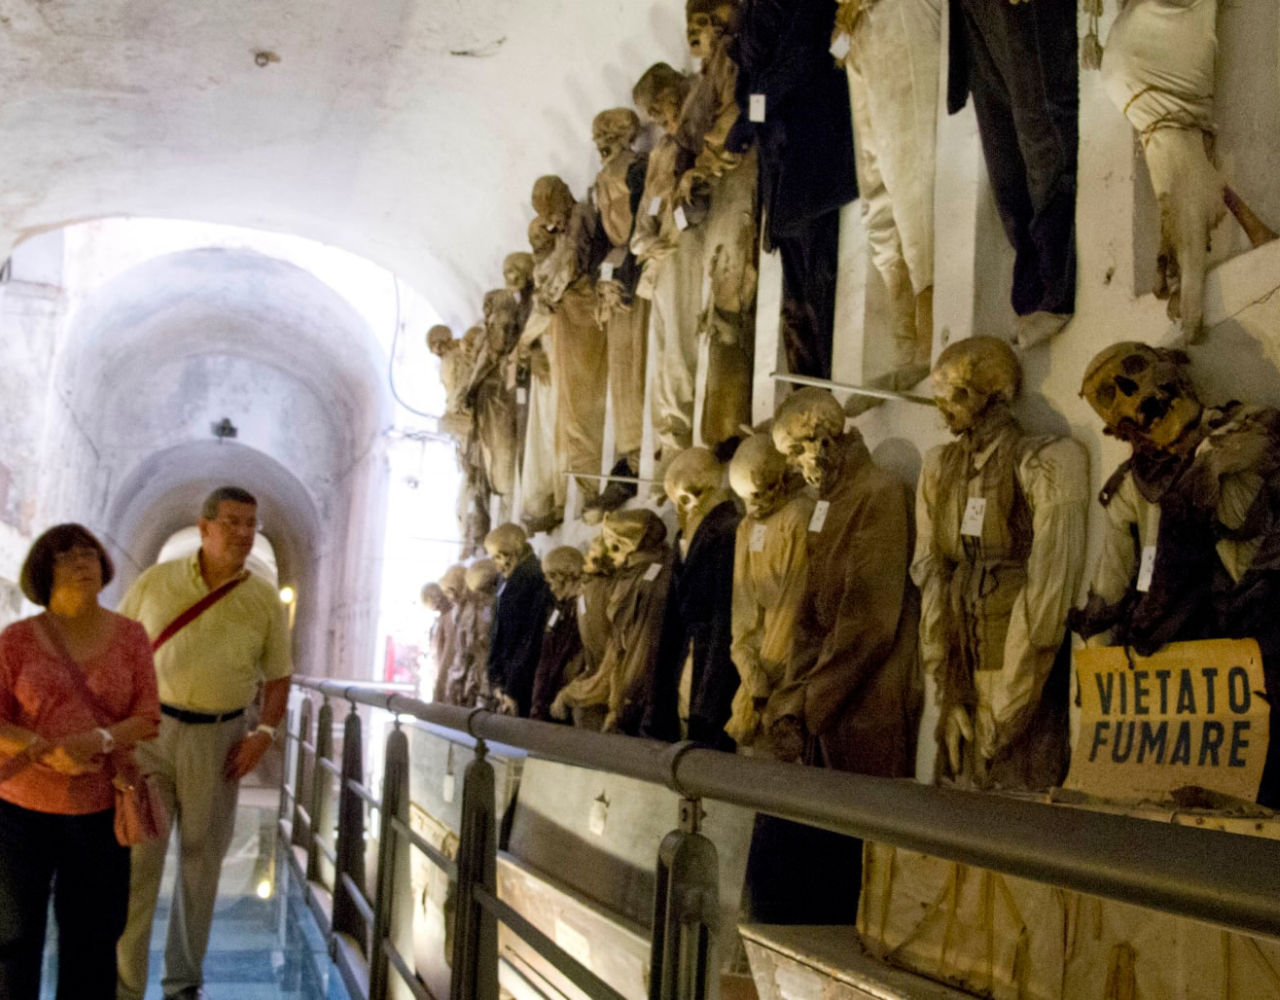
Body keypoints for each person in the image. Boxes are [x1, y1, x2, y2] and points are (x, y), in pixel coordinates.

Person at [116, 486, 292, 1000]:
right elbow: (123, 650)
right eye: (233, 522)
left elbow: (278, 676)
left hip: (220, 738)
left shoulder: (262, 598)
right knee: (137, 863)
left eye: (252, 524)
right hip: (150, 735)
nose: (243, 533)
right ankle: (125, 986)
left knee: (201, 864)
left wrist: (263, 734)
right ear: (205, 526)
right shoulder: (157, 582)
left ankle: (182, 982)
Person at [0, 524, 160, 1000]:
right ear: (44, 569)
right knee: (13, 939)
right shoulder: (16, 640)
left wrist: (100, 738)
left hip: (99, 811)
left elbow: (148, 717)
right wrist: (48, 750)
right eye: (68, 556)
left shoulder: (130, 636)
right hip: (19, 810)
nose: (83, 561)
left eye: (90, 553)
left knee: (92, 942)